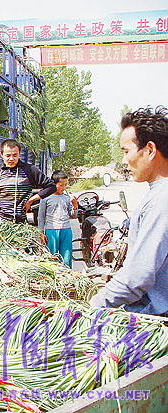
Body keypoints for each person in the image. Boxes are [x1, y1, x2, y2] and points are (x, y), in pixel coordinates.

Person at [90, 106, 168, 315]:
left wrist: (93, 306)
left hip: (154, 320)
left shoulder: (162, 199)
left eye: (126, 151)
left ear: (150, 150)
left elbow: (138, 277)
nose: (124, 161)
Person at [0, 139, 56, 224]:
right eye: (8, 155)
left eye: (15, 155)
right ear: (2, 155)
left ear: (19, 154)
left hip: (18, 222)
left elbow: (51, 187)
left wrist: (31, 200)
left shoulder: (29, 170)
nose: (11, 159)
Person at [37, 170, 78, 267]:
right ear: (53, 184)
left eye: (65, 185)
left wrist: (75, 206)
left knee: (66, 257)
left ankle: (67, 274)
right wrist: (41, 233)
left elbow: (73, 216)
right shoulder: (46, 198)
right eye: (61, 185)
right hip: (51, 231)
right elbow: (41, 216)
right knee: (52, 257)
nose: (63, 188)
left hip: (66, 230)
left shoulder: (66, 197)